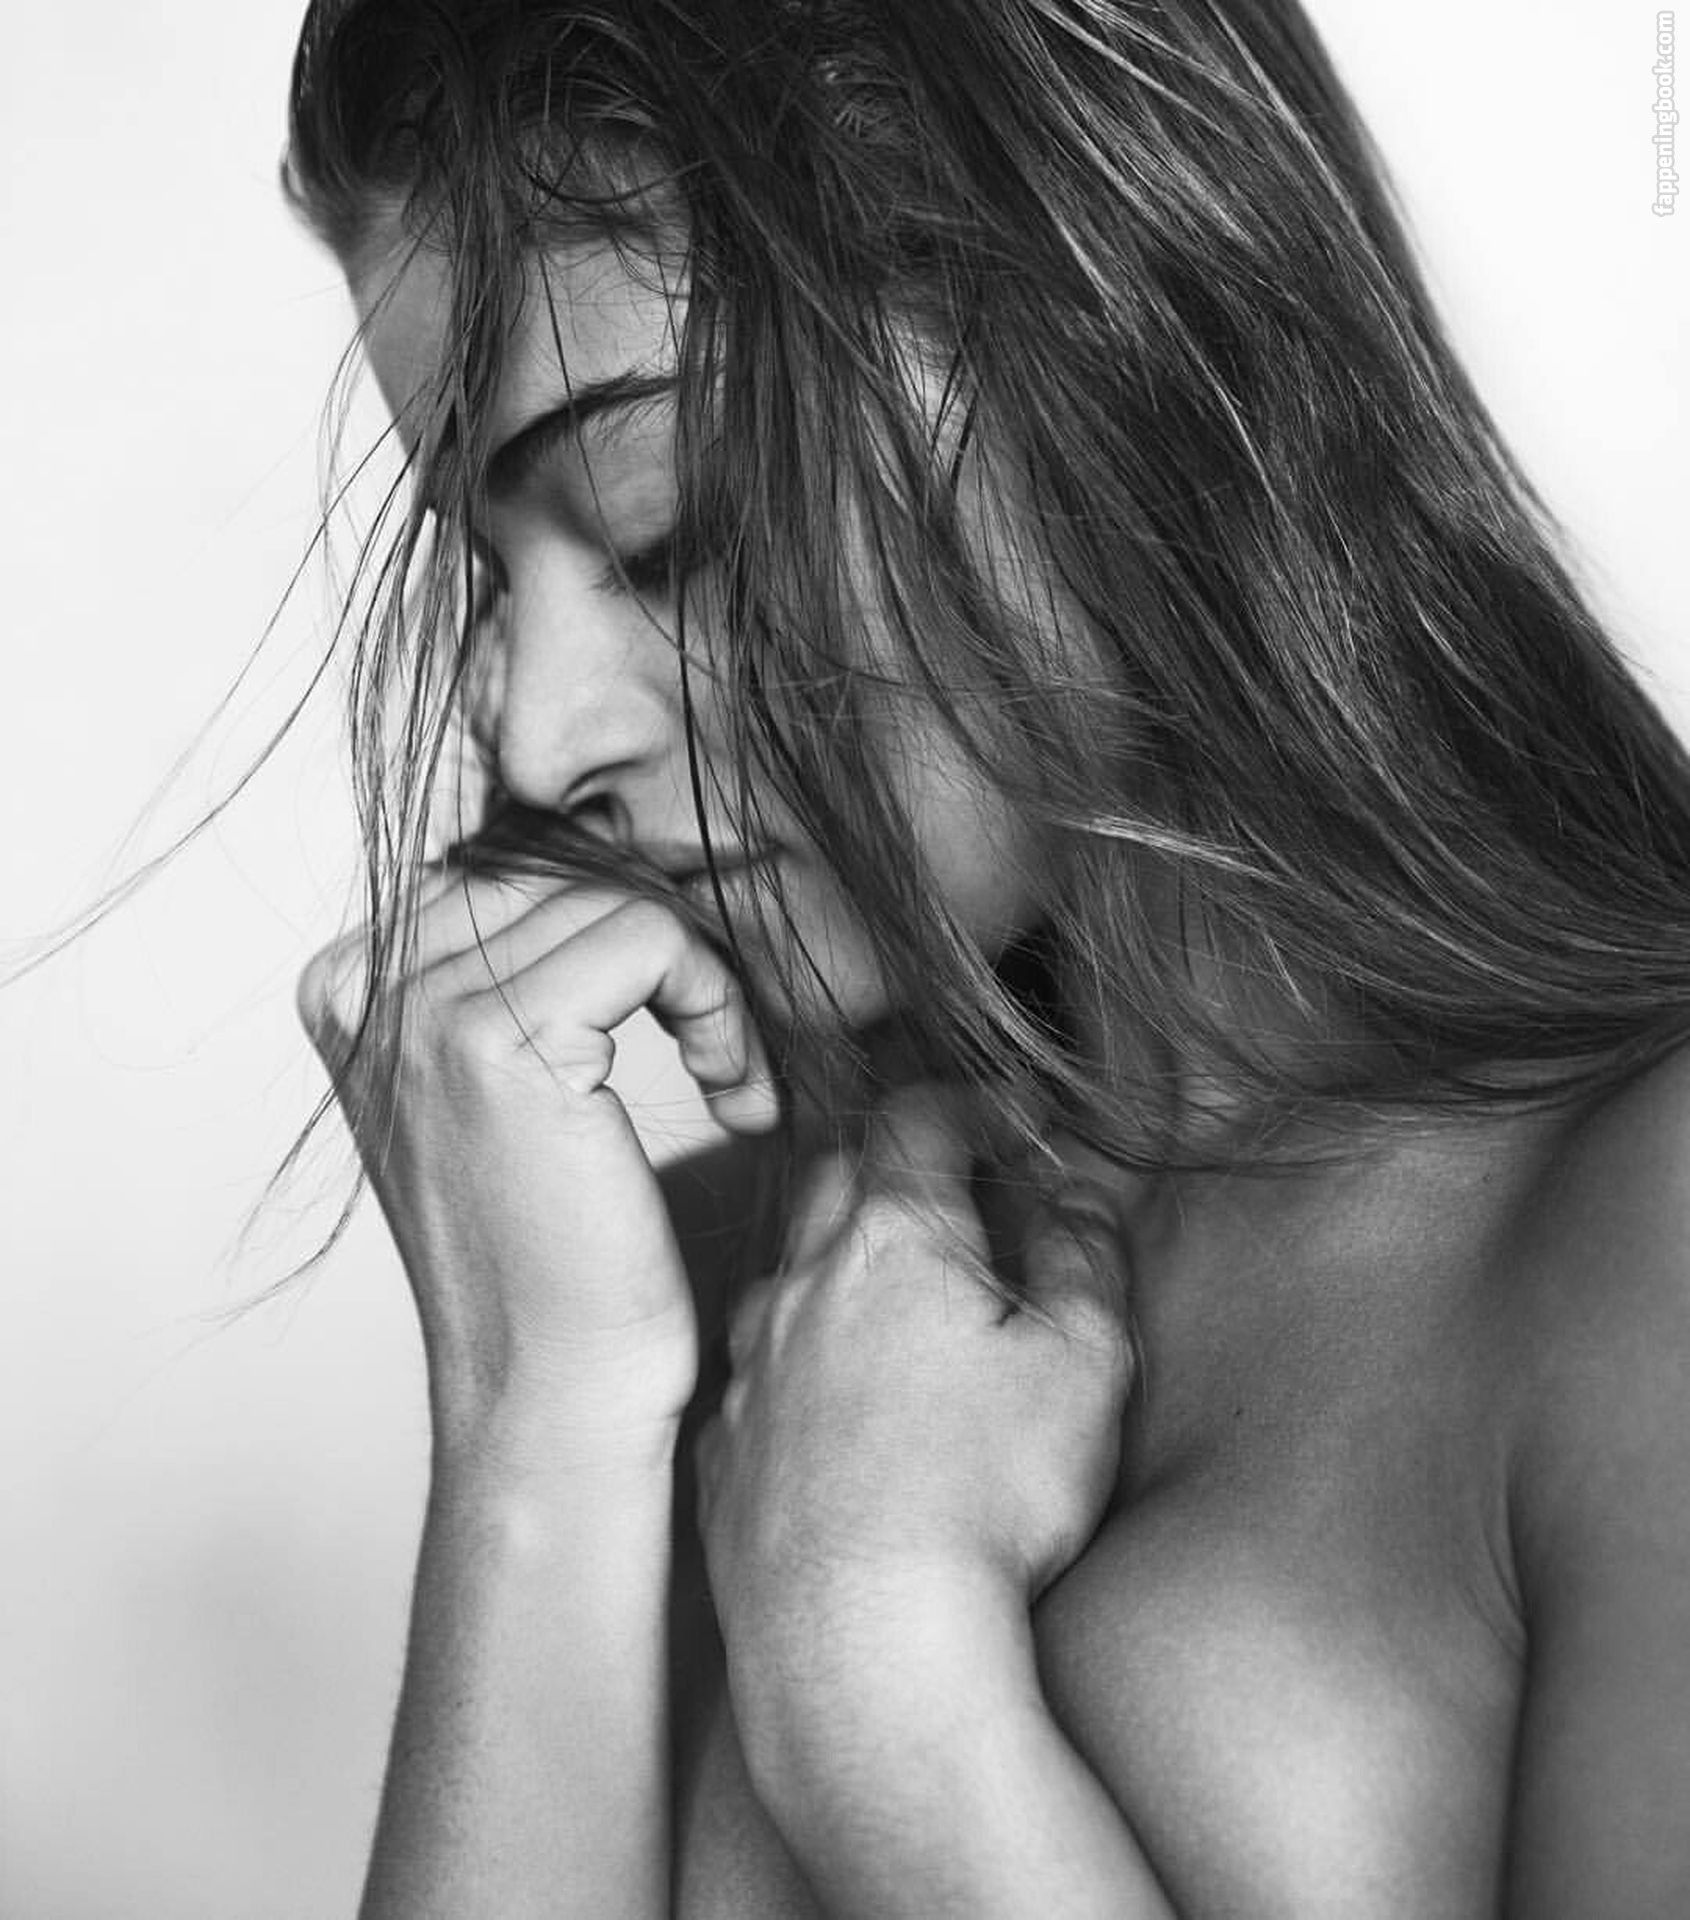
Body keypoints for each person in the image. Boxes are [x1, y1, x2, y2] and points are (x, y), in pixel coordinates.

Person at [282, 0, 1690, 1912]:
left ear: (1123, 342)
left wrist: (881, 1694)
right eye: (486, 570)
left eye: (658, 525)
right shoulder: (697, 1306)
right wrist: (536, 1417)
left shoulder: (1639, 1233)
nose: (532, 740)